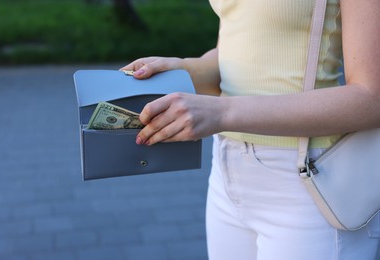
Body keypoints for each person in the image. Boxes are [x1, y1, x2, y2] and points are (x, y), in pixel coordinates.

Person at [121, 0, 380, 259]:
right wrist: (185, 69)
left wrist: (221, 112)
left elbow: (372, 98)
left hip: (307, 183)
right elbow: (238, 53)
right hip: (226, 173)